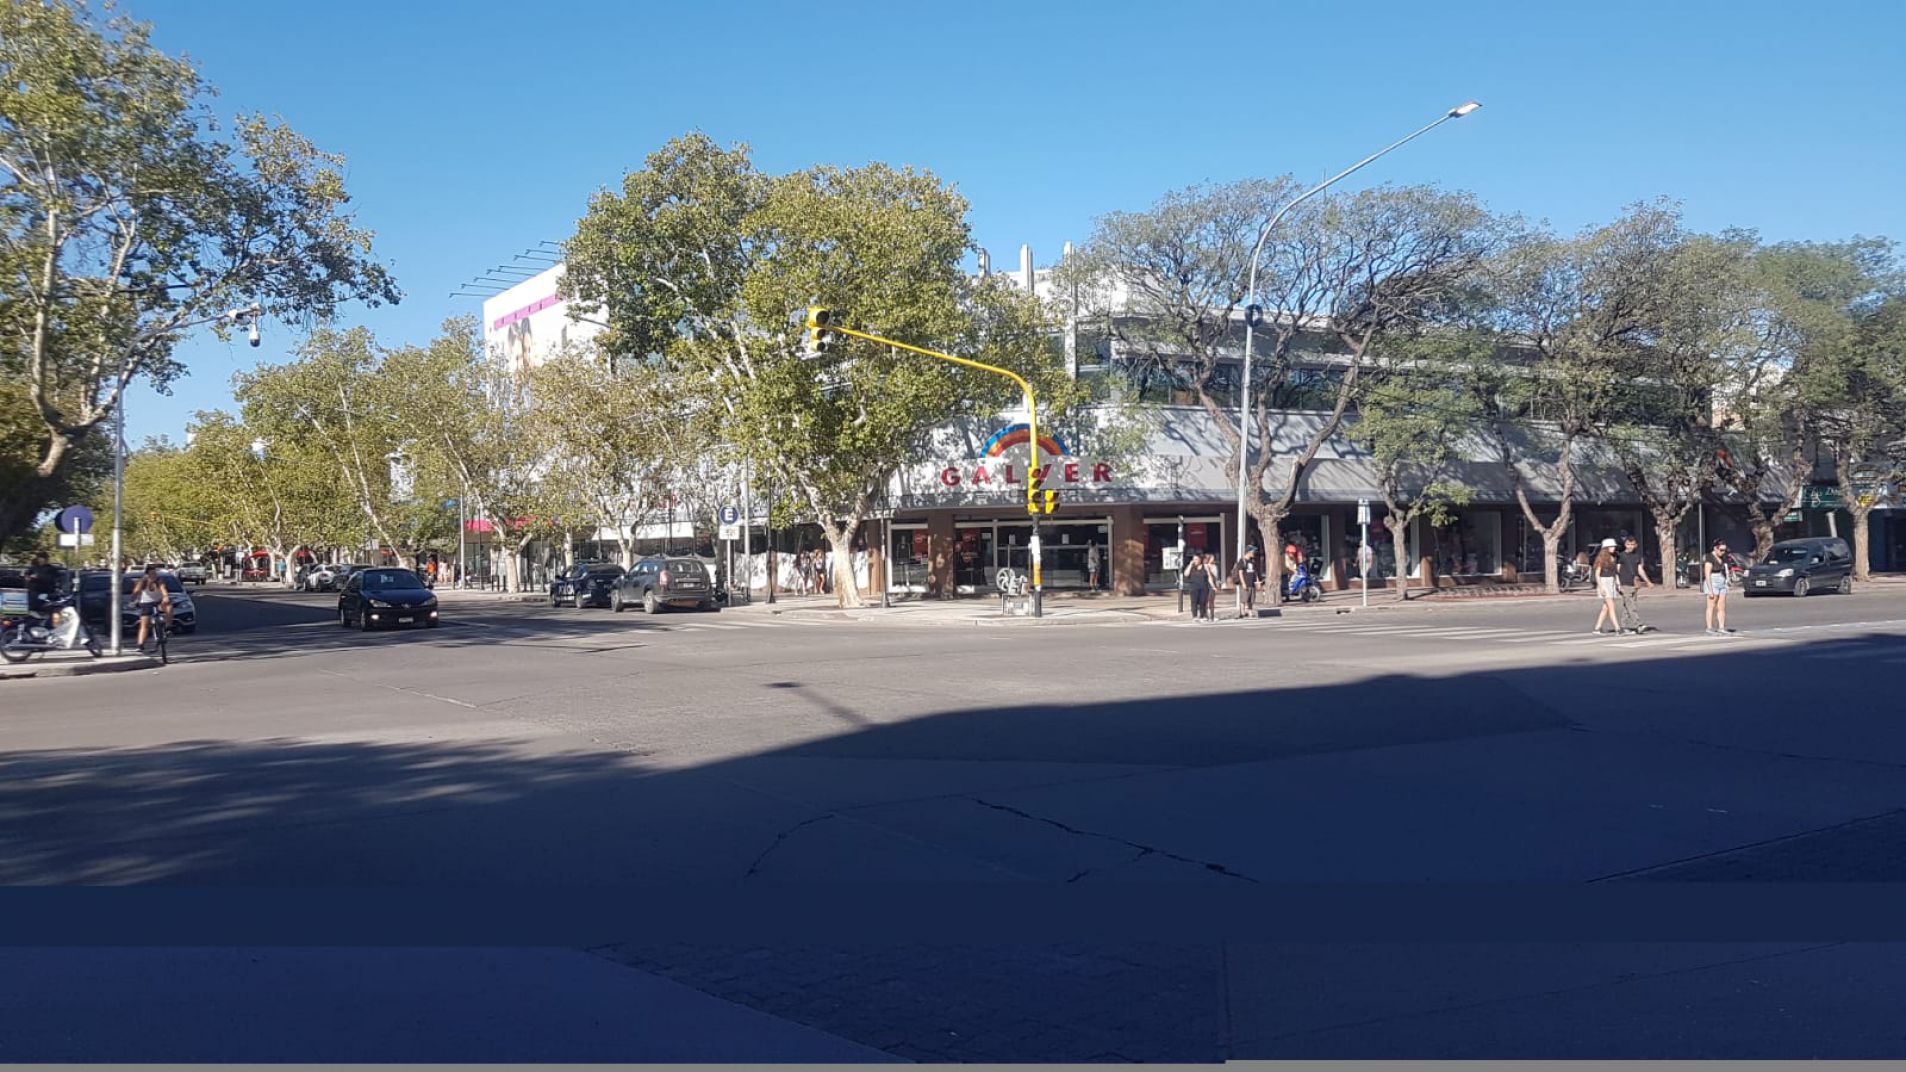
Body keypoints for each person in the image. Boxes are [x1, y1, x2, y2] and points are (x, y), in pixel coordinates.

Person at [1615, 535, 1654, 634]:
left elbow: (1640, 570)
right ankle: (1638, 625)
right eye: (1628, 544)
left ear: (1636, 545)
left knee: (1628, 606)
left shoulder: (1636, 556)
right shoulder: (1621, 556)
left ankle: (1623, 626)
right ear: (1625, 544)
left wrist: (1647, 581)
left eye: (1632, 544)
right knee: (1630, 605)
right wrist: (1618, 584)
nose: (1630, 546)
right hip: (1624, 584)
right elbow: (1617, 571)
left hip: (1634, 583)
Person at [131, 563, 172, 653]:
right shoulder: (143, 581)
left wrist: (165, 597)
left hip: (158, 602)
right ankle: (141, 645)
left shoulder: (159, 581)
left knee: (169, 606)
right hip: (146, 603)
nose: (153, 575)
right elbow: (136, 592)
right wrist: (132, 601)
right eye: (151, 574)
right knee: (144, 624)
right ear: (147, 574)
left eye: (154, 573)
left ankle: (168, 627)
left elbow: (163, 590)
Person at [1702, 538, 1734, 635]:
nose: (1723, 552)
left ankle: (1721, 627)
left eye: (1724, 550)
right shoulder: (1709, 557)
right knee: (1711, 605)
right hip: (1713, 580)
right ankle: (1709, 627)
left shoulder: (1723, 558)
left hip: (1721, 580)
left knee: (1721, 606)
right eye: (1721, 550)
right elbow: (1707, 574)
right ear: (1715, 548)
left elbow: (1726, 568)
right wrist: (1710, 590)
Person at [1591, 538, 1621, 634]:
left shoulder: (1613, 557)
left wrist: (1618, 583)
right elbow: (1597, 574)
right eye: (1611, 546)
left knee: (1606, 608)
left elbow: (1615, 572)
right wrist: (1601, 587)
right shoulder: (1601, 559)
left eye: (1614, 546)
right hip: (1604, 582)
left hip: (1611, 582)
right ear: (1606, 548)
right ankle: (1617, 628)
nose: (1613, 548)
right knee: (1611, 606)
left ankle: (1597, 627)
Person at [25, 551, 62, 623]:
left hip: (45, 591)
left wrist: (37, 577)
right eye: (39, 558)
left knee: (39, 600)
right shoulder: (34, 567)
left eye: (42, 558)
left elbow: (51, 579)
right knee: (32, 598)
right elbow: (27, 574)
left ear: (46, 559)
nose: (40, 560)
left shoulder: (51, 569)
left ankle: (42, 617)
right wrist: (28, 577)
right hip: (33, 590)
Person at [1184, 550, 1213, 621]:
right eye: (1194, 559)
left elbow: (1209, 576)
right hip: (1194, 587)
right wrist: (1190, 565)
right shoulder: (1191, 567)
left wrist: (1213, 586)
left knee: (1203, 601)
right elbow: (1186, 574)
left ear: (1200, 560)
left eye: (1196, 559)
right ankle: (1195, 616)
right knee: (1194, 602)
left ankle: (1202, 616)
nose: (1195, 561)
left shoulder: (1205, 566)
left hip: (1204, 587)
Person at [1234, 544, 1260, 616]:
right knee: (1244, 598)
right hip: (1246, 582)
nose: (1254, 553)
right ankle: (1242, 612)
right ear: (1249, 552)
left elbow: (1255, 572)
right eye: (1253, 551)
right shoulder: (1242, 561)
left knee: (1251, 599)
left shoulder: (1252, 561)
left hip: (1252, 583)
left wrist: (1257, 582)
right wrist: (1243, 583)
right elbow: (1240, 573)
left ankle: (1250, 612)